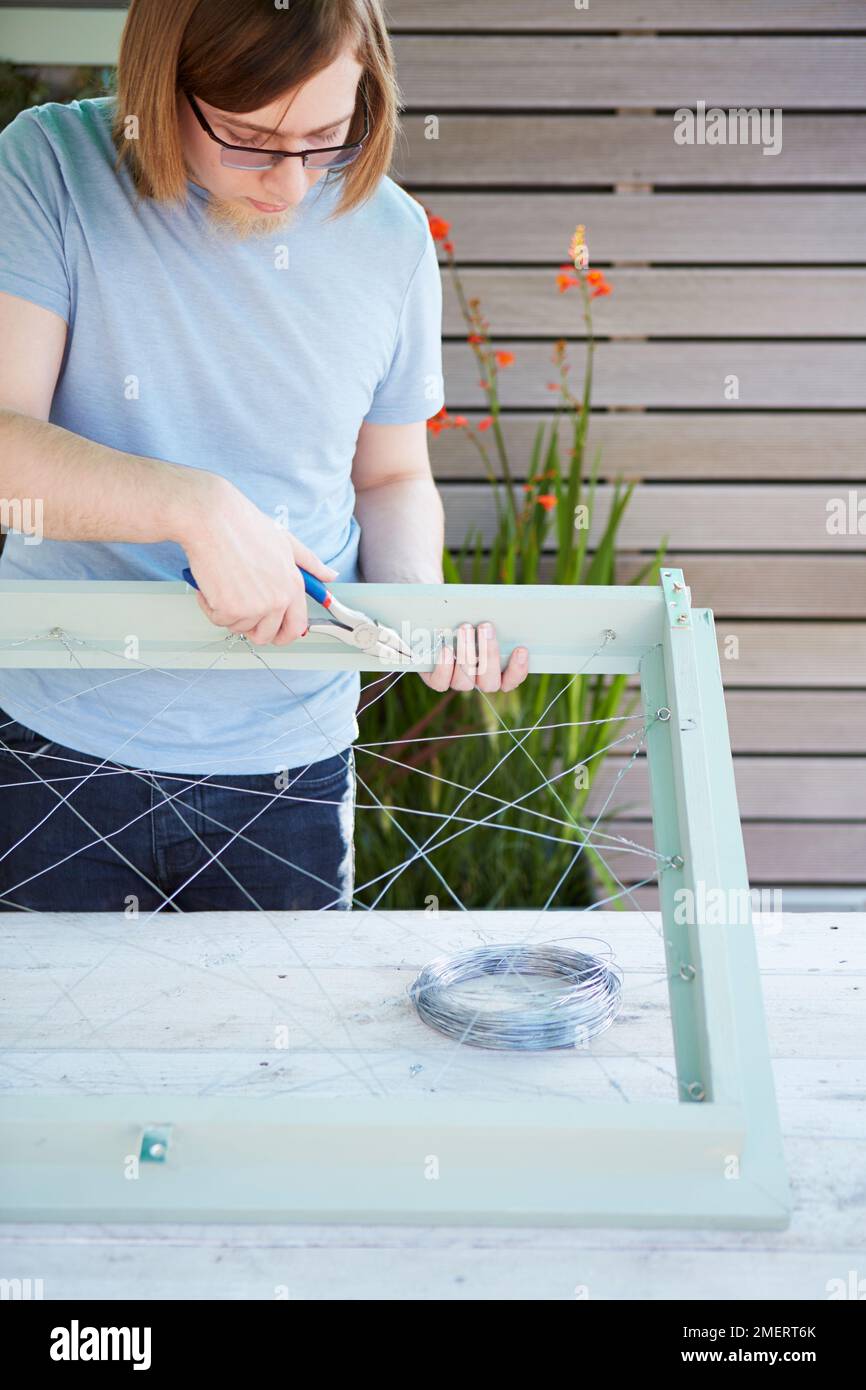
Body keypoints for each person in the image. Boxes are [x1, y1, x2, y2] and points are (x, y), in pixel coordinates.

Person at [0, 0, 528, 914]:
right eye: (247, 137)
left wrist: (425, 604)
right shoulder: (48, 164)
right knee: (49, 1056)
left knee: (282, 1059)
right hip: (53, 741)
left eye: (330, 135)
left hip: (292, 759)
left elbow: (392, 478)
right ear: (163, 85)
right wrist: (195, 509)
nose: (290, 185)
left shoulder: (396, 238)